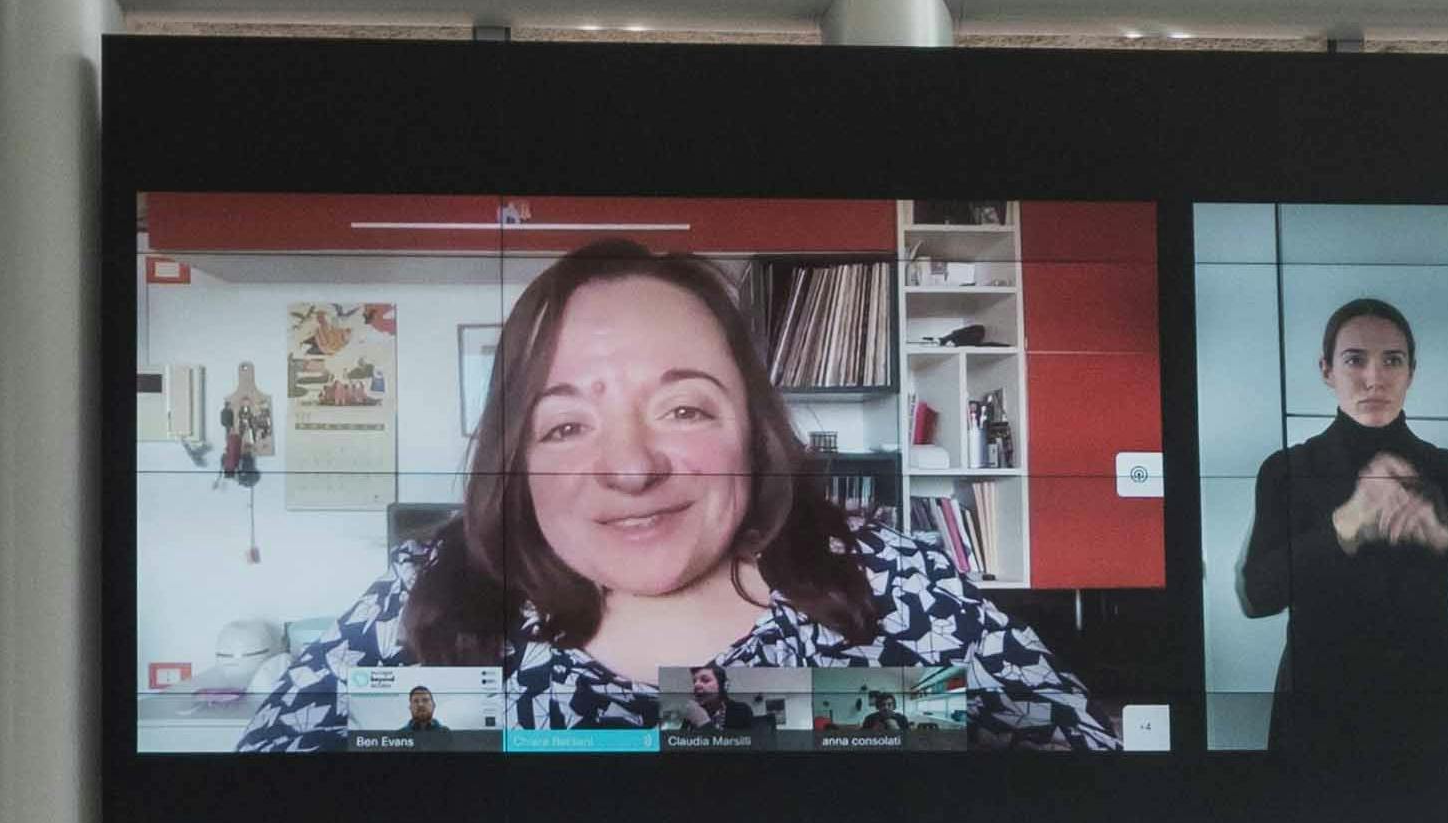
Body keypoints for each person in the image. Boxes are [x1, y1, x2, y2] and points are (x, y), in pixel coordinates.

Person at [242, 239, 1112, 754]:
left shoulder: (892, 580)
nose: (630, 468)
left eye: (684, 408)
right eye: (565, 426)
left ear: (754, 429)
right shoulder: (424, 592)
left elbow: (1078, 774)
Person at [1230, 296, 1448, 765]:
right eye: (1355, 359)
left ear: (1411, 372)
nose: (1374, 379)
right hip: (1317, 714)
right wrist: (1344, 525)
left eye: (1392, 360)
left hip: (1434, 714)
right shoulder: (1286, 470)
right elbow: (1257, 597)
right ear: (1326, 370)